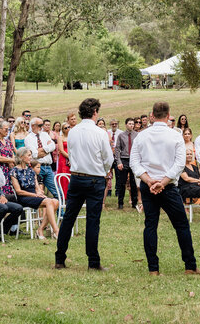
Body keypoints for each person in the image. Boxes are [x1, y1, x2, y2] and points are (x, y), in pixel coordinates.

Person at [130, 101, 200, 276]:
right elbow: (179, 163)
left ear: (152, 115)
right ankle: (190, 266)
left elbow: (134, 163)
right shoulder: (175, 135)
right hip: (167, 187)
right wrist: (163, 181)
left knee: (150, 226)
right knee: (181, 225)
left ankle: (153, 269)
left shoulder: (141, 136)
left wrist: (148, 180)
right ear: (169, 115)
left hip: (149, 186)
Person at [54, 97, 113, 270]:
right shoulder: (100, 132)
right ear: (95, 112)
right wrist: (104, 169)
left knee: (69, 218)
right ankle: (93, 262)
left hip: (76, 177)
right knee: (93, 220)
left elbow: (70, 153)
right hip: (95, 179)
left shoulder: (73, 131)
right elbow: (108, 158)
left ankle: (60, 258)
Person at [10, 149, 59, 239]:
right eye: (28, 155)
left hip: (35, 196)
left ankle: (40, 229)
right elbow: (18, 191)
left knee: (55, 201)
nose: (30, 157)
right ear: (21, 157)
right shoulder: (14, 171)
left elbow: (37, 187)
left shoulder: (31, 171)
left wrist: (40, 193)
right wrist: (36, 195)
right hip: (23, 197)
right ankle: (56, 231)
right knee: (49, 202)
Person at [25, 118, 59, 199]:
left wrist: (42, 149)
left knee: (57, 192)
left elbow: (53, 146)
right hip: (37, 167)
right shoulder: (28, 138)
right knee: (38, 193)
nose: (42, 127)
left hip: (48, 167)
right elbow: (34, 154)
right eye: (40, 125)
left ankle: (61, 212)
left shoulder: (45, 135)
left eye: (42, 125)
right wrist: (47, 149)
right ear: (33, 126)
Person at [114, 117, 139, 210]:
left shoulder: (137, 135)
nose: (131, 125)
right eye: (130, 124)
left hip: (133, 160)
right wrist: (119, 162)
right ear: (126, 125)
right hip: (124, 159)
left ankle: (134, 203)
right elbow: (117, 149)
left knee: (133, 183)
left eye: (133, 124)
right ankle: (120, 203)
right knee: (122, 183)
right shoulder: (121, 135)